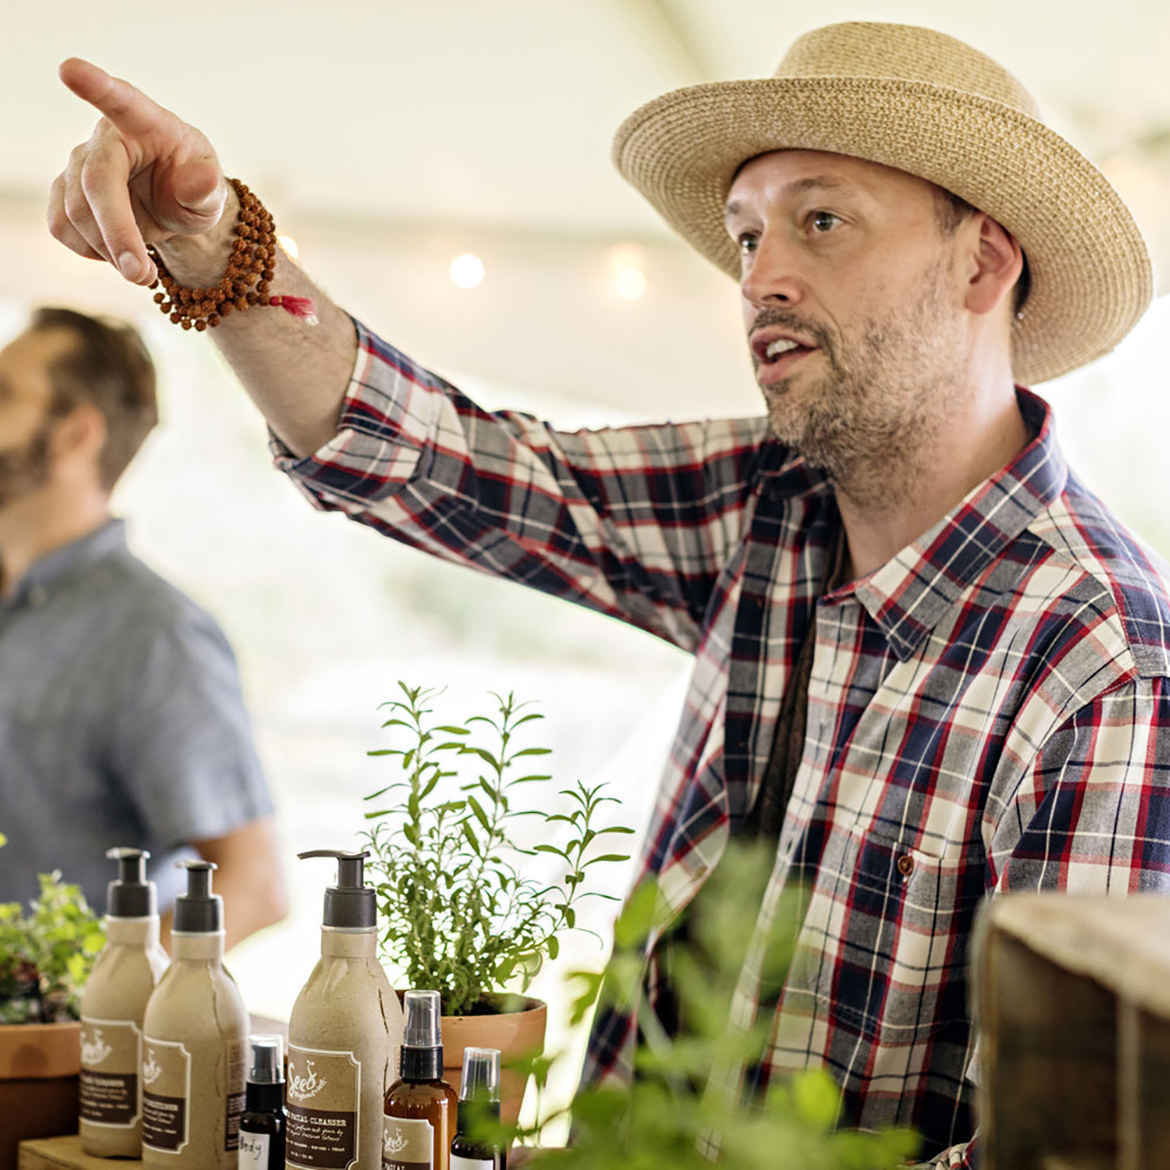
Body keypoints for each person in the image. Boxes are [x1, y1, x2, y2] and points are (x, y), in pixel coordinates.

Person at [45, 21, 1170, 1167]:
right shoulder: (771, 505)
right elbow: (437, 459)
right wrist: (215, 249)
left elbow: (1061, 1148)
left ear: (983, 263)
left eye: (822, 221)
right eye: (748, 234)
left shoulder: (1101, 661)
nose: (761, 279)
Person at [0, 306, 287, 950]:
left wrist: (94, 995)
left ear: (76, 435)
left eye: (4, 394)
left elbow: (254, 886)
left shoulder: (155, 636)